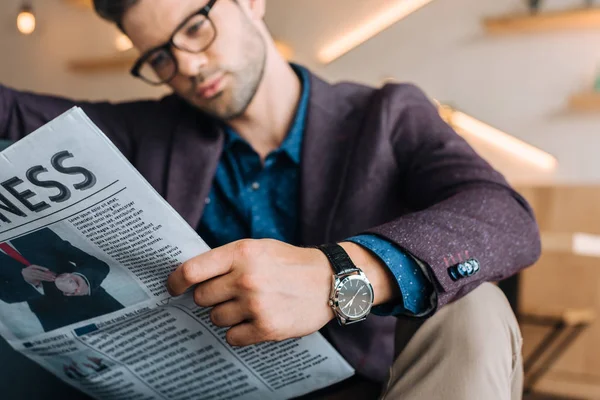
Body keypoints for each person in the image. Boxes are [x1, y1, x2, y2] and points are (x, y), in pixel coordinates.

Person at [0, 0, 541, 398]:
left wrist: (335, 278)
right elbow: (13, 112)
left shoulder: (388, 116)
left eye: (195, 27)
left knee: (473, 304)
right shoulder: (150, 131)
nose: (186, 65)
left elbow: (506, 216)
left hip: (380, 386)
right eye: (159, 57)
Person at [0, 228, 124, 333]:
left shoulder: (30, 230)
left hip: (95, 303)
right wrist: (30, 283)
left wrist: (83, 279)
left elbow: (93, 262)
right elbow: (6, 295)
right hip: (56, 318)